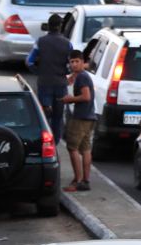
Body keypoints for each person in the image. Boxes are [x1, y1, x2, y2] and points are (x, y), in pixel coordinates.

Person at [25, 14, 73, 146]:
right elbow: (71, 66)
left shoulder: (40, 42)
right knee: (58, 117)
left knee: (44, 116)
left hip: (44, 84)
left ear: (49, 25)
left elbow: (29, 61)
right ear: (60, 26)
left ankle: (43, 142)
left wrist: (38, 71)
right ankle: (55, 143)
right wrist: (65, 72)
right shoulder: (67, 44)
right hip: (60, 85)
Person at [61, 50, 96, 192]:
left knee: (72, 148)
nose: (74, 64)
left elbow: (86, 96)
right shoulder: (82, 76)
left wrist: (70, 99)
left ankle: (78, 181)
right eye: (72, 62)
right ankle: (85, 181)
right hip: (89, 117)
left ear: (82, 62)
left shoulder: (82, 77)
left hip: (81, 117)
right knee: (85, 149)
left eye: (77, 61)